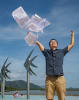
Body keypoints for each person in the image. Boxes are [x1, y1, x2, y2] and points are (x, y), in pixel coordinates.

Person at [35, 31, 74, 100]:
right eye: (51, 42)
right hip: (49, 79)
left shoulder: (62, 51)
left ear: (57, 44)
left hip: (60, 78)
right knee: (49, 98)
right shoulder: (46, 52)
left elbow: (71, 44)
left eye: (54, 41)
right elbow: (40, 46)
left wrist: (72, 35)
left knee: (62, 98)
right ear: (49, 45)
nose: (53, 42)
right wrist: (36, 41)